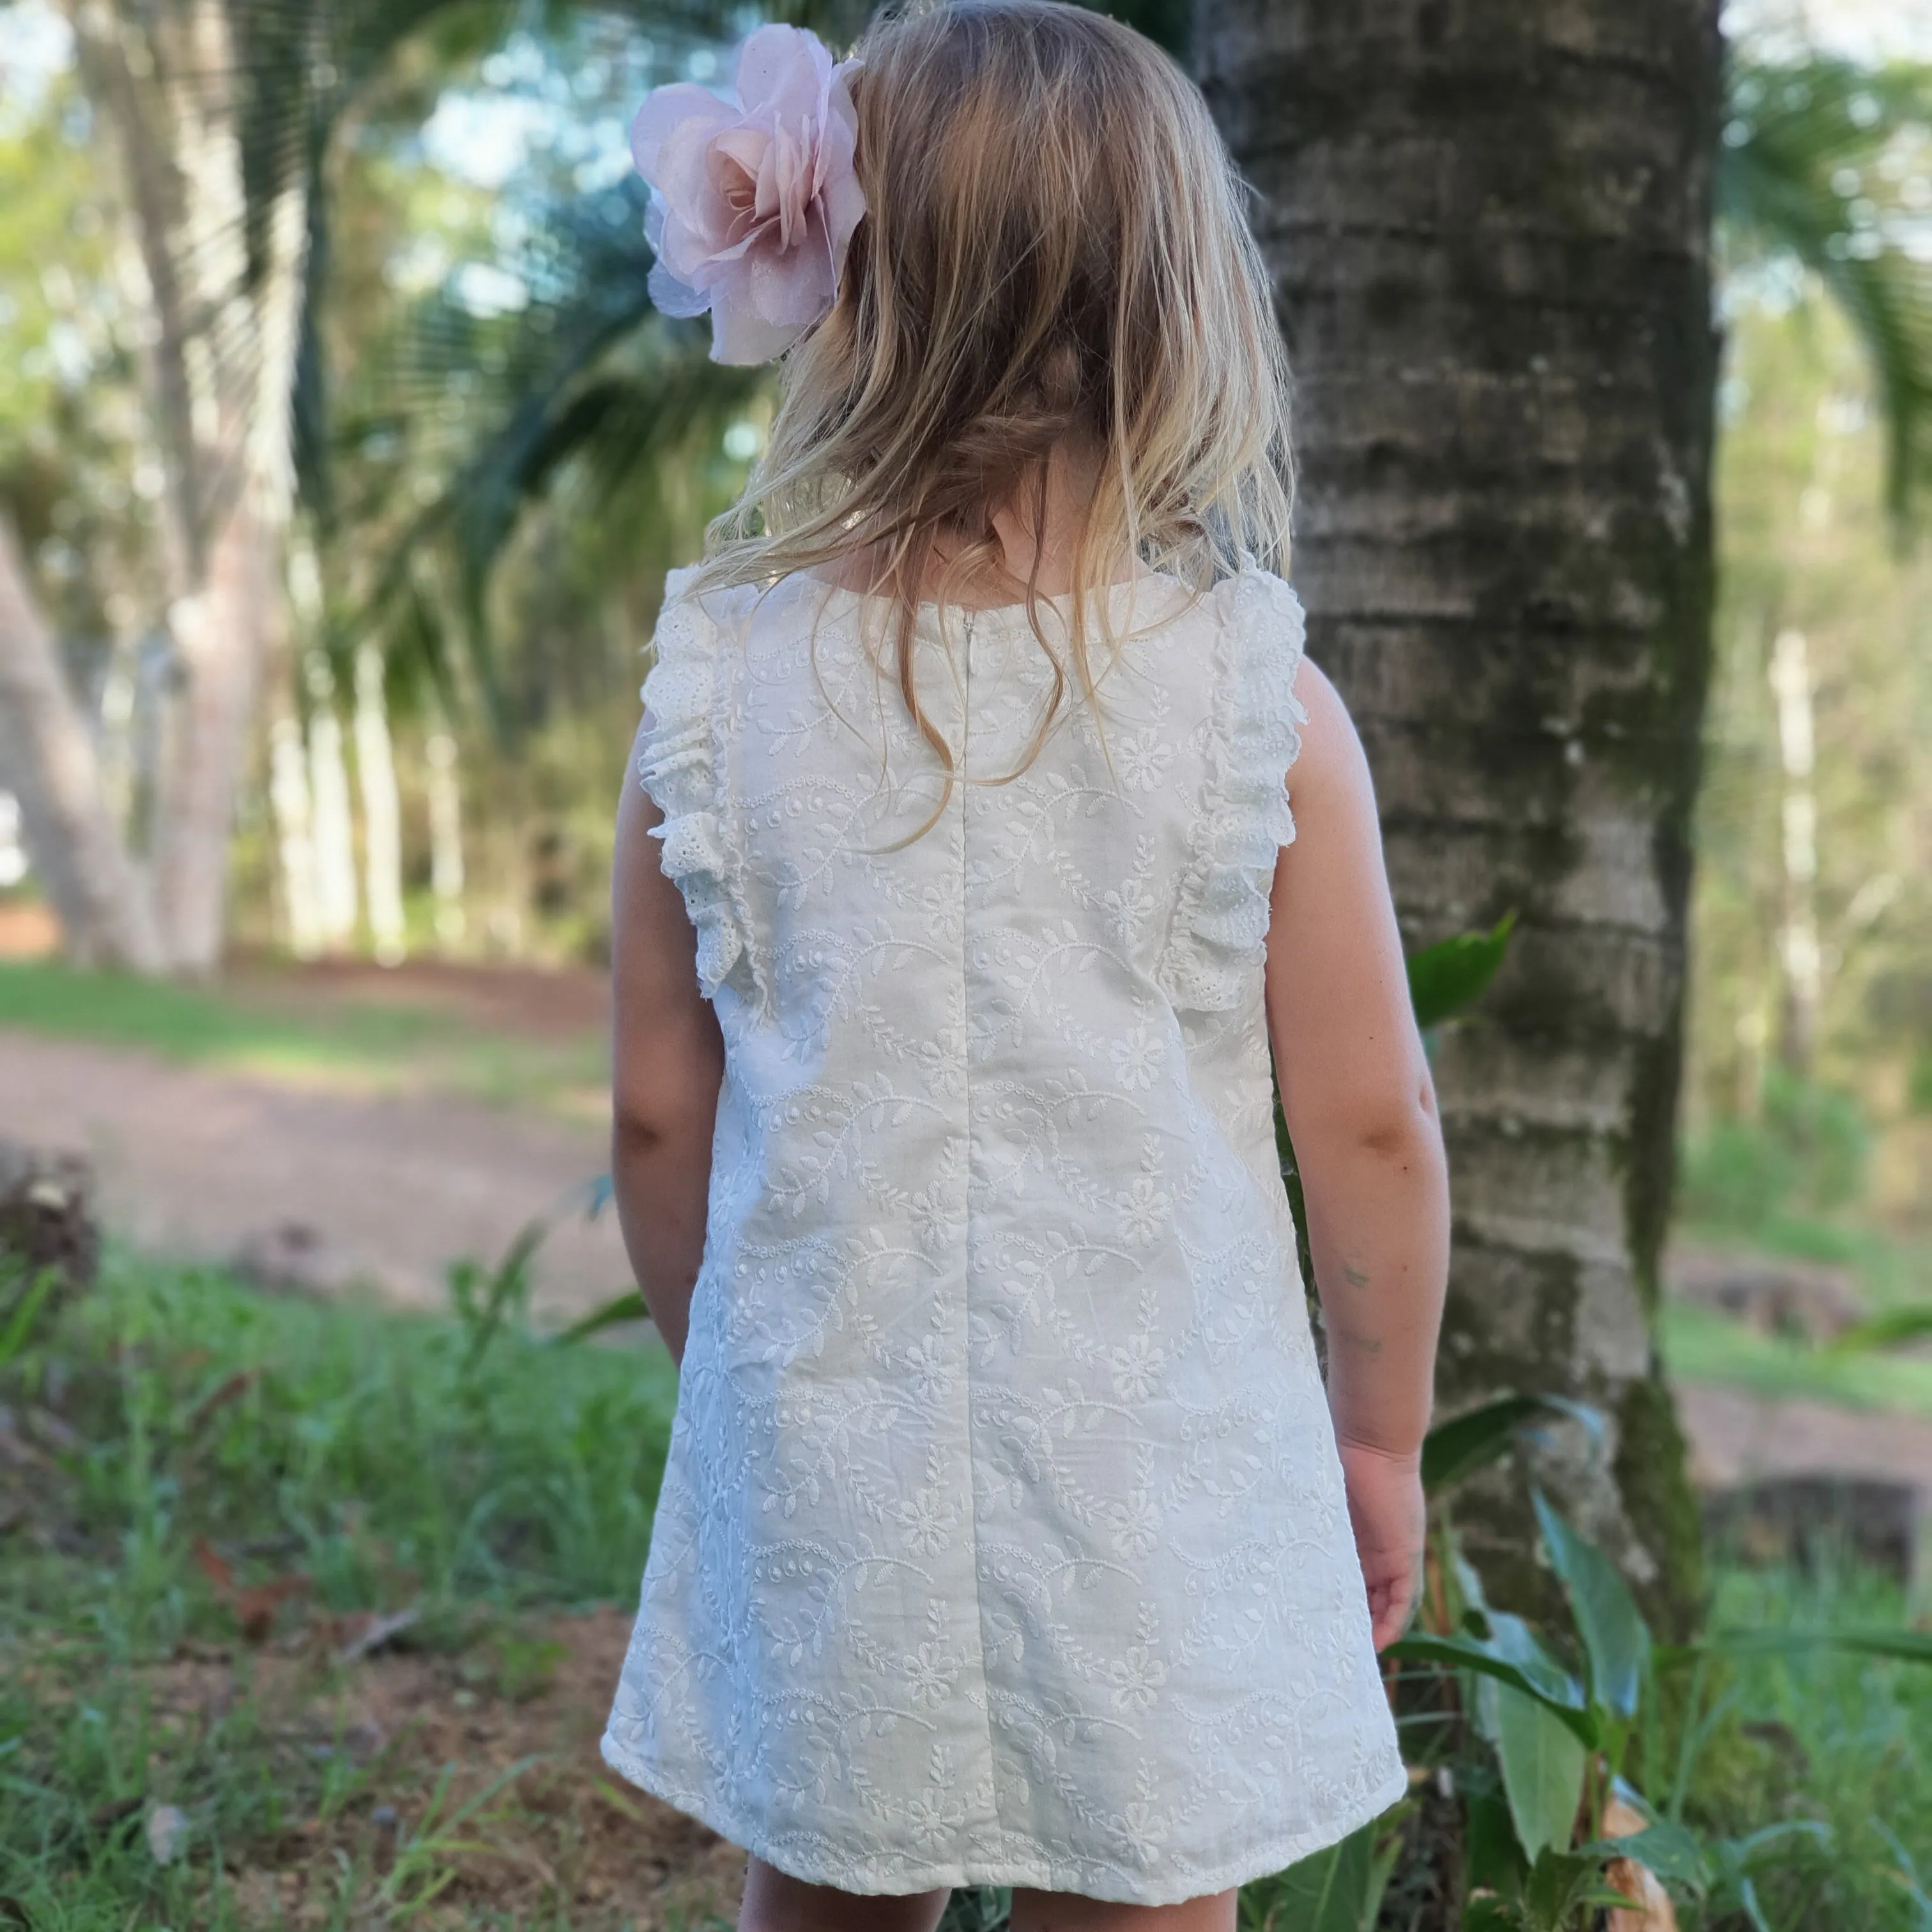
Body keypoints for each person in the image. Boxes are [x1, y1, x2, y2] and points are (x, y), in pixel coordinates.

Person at [601, 5, 1451, 1929]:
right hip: (1159, 1470)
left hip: (834, 1439)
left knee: (820, 1893)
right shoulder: (1261, 700)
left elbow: (661, 1113)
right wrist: (1379, 1434)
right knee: (1147, 1898)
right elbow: (1377, 1127)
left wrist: (728, 1391)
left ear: (839, 280)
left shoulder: (712, 688)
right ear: (1174, 300)